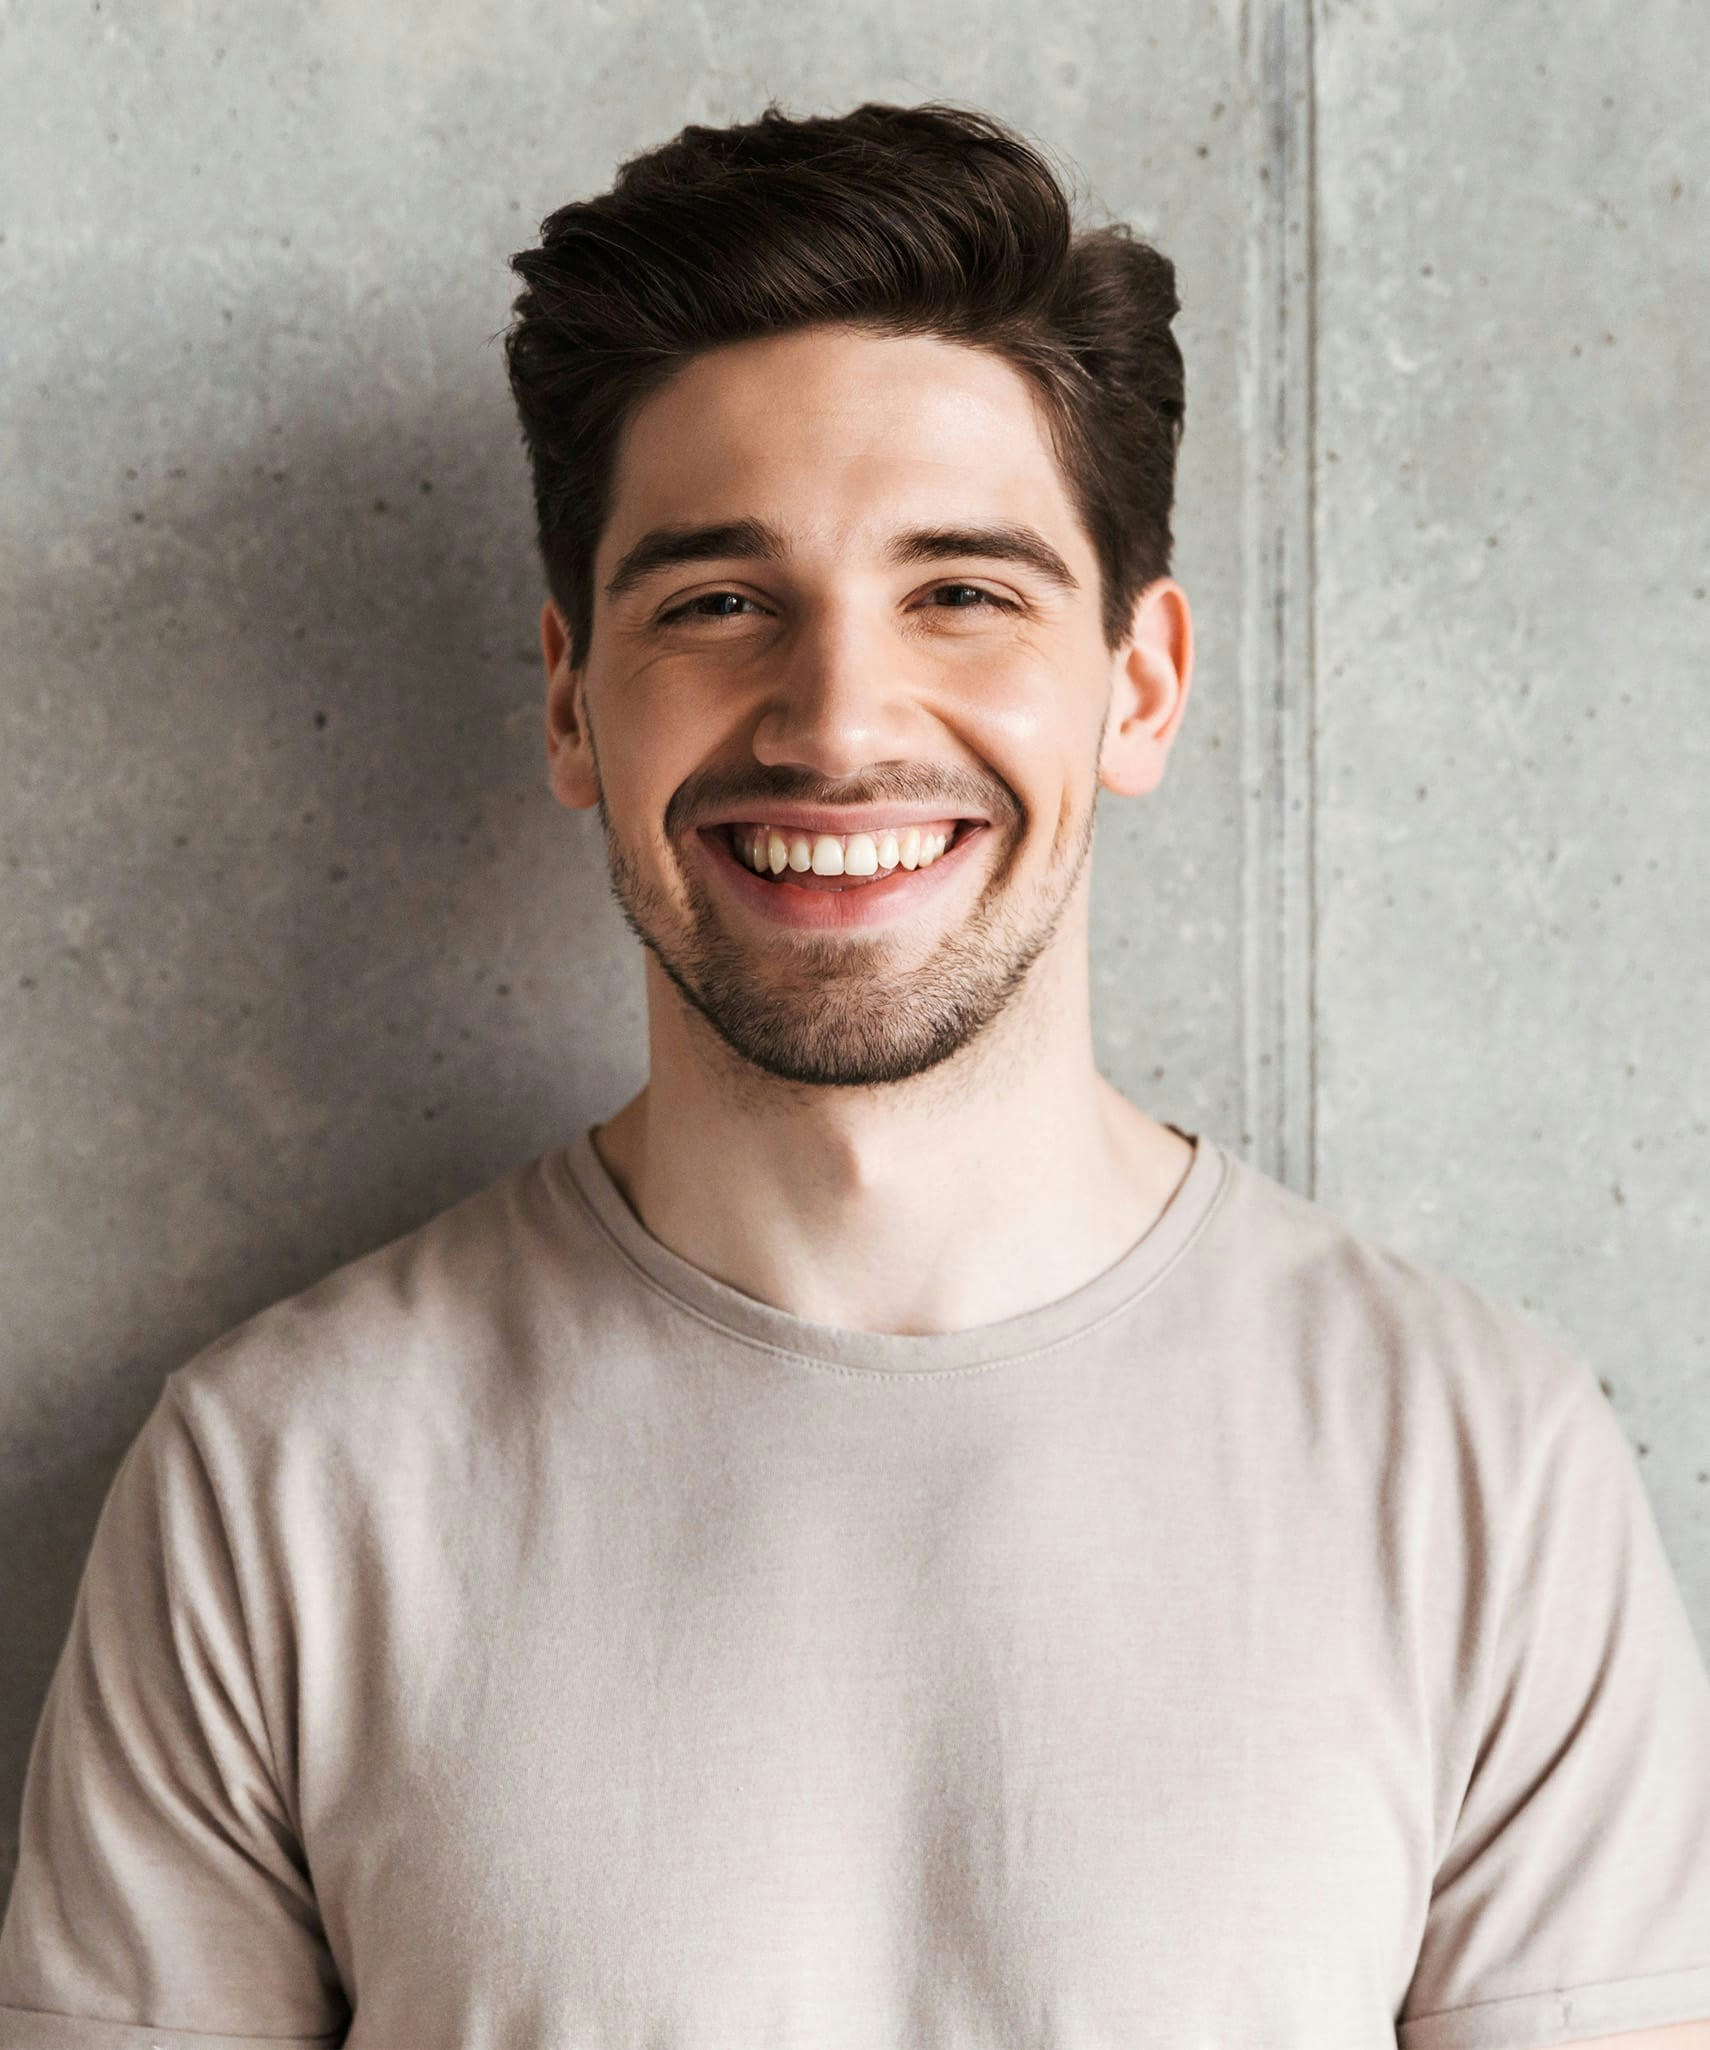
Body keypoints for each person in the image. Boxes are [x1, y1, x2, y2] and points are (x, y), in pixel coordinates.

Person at [2, 98, 1707, 2050]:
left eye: (961, 590)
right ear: (571, 697)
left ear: (1138, 685)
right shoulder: (279, 1483)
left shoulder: (1479, 1467)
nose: (836, 719)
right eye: (720, 601)